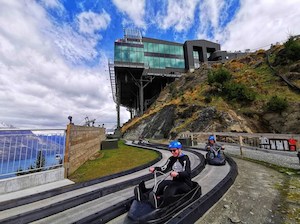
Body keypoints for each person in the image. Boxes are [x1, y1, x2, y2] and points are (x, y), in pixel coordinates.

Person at [148, 140, 193, 207]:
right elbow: (164, 168)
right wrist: (155, 169)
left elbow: (187, 172)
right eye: (171, 151)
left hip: (185, 183)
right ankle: (151, 196)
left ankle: (162, 202)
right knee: (160, 184)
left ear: (179, 149)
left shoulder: (185, 159)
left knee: (170, 189)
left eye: (174, 150)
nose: (172, 152)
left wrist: (178, 174)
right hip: (175, 181)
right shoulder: (171, 159)